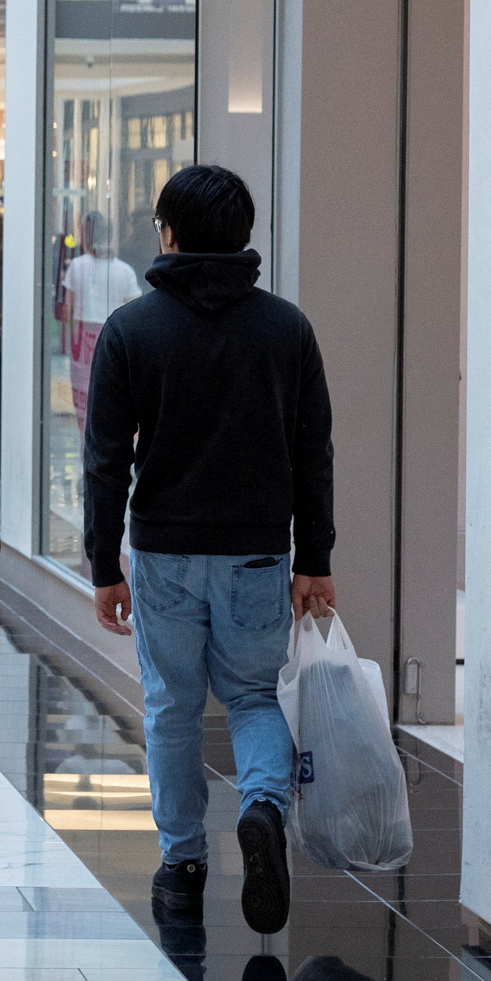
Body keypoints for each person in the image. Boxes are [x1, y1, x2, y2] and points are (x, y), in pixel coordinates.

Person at [82, 164, 335, 939]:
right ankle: (261, 807)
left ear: (168, 232)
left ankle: (182, 861)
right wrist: (314, 559)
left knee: (172, 705)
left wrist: (102, 565)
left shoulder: (132, 329)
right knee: (254, 696)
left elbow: (103, 460)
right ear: (245, 234)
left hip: (162, 553)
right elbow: (312, 451)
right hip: (258, 552)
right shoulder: (285, 328)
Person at [59, 210, 140, 434]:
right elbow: (135, 314)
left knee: (84, 407)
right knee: (114, 402)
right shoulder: (125, 271)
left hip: (82, 342)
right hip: (115, 340)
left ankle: (88, 459)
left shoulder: (76, 266)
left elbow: (68, 309)